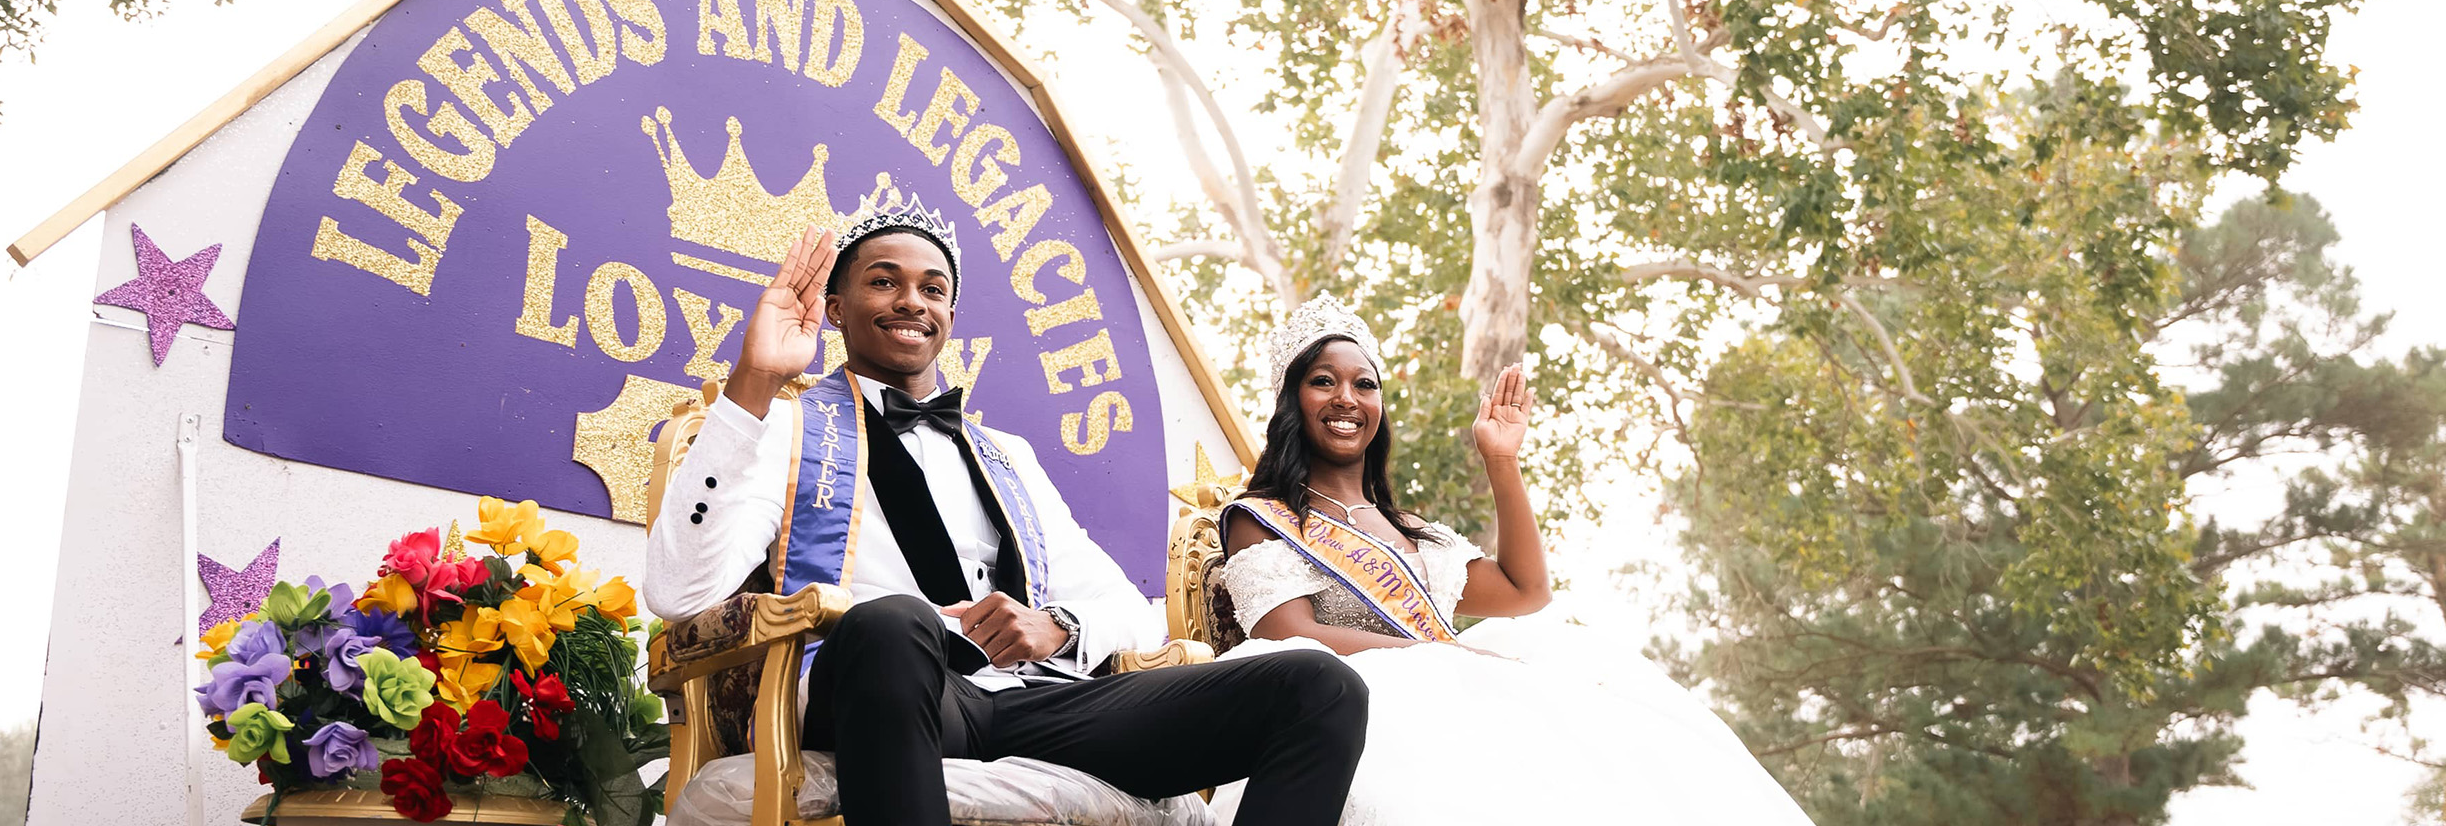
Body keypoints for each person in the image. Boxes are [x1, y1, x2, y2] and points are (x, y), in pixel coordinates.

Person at [645, 191, 1369, 826]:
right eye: (884, 281)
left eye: (932, 289)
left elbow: (1128, 609)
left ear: (949, 316)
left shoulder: (1008, 456)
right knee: (895, 622)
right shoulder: (782, 428)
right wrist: (755, 381)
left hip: (1031, 704)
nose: (911, 301)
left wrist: (1057, 626)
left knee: (1320, 685)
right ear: (835, 308)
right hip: (884, 689)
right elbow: (679, 594)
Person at [1207, 293, 1817, 826]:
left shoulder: (1409, 531)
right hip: (1355, 724)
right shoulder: (1261, 517)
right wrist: (1440, 655)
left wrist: (1501, 460)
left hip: (1458, 706)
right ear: (1292, 400)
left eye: (1365, 384)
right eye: (1323, 381)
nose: (1347, 398)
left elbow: (1526, 592)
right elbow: (1290, 637)